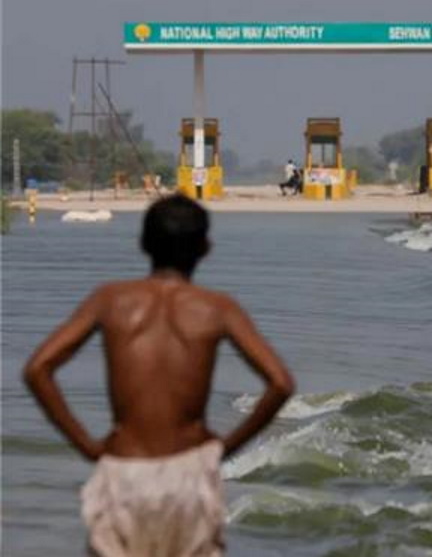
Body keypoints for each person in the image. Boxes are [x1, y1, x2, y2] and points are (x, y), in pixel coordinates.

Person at [23, 194, 294, 557]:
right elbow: (280, 383)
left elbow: (38, 368)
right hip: (190, 470)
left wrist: (86, 445)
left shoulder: (111, 300)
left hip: (124, 468)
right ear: (206, 248)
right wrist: (224, 448)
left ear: (143, 244)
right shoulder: (217, 308)